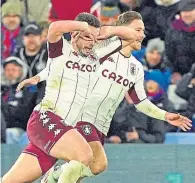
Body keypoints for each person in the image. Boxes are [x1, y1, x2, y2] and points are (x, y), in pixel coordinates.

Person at [40, 11, 192, 183]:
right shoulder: (101, 49)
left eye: (142, 31)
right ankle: (54, 175)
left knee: (92, 167)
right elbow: (88, 40)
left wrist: (165, 115)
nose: (141, 35)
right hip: (80, 116)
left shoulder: (136, 67)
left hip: (101, 125)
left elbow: (140, 102)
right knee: (90, 162)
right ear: (123, 31)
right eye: (137, 30)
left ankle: (54, 175)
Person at [2, 12, 138, 183]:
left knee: (10, 181)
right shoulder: (61, 49)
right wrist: (82, 26)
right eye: (87, 37)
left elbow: (132, 36)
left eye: (95, 38)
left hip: (63, 129)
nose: (92, 42)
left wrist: (105, 31)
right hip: (46, 119)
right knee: (83, 156)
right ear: (74, 34)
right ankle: (52, 178)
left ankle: (52, 177)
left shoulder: (97, 54)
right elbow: (54, 28)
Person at [1, 56, 44, 144]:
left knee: (11, 134)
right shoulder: (4, 91)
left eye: (14, 69)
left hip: (26, 131)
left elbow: (26, 111)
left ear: (22, 70)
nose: (10, 73)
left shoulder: (31, 89)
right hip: (7, 130)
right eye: (7, 70)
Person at [164, 0, 195, 82]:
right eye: (184, 11)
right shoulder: (173, 30)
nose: (187, 14)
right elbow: (168, 55)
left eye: (190, 10)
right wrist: (174, 72)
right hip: (181, 76)